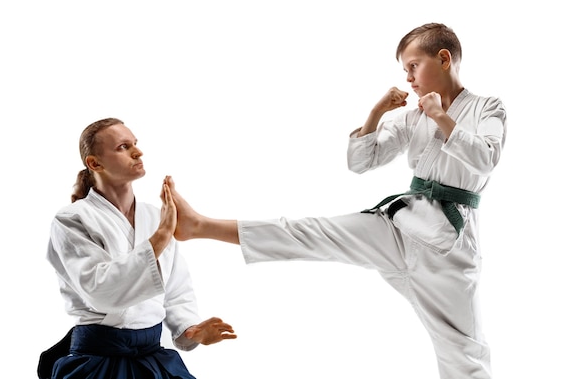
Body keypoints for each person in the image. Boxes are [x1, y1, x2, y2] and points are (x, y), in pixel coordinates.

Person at [168, 23, 507, 379]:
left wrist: (440, 114)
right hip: (400, 225)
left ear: (443, 59)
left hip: (448, 248)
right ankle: (198, 225)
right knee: (310, 232)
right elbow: (361, 162)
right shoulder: (413, 116)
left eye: (412, 66)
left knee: (463, 352)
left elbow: (485, 157)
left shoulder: (488, 107)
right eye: (404, 70)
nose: (408, 77)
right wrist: (378, 112)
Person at [39, 117, 237, 379]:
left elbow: (176, 287)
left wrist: (190, 329)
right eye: (122, 146)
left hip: (153, 356)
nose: (137, 151)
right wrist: (162, 235)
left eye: (135, 143)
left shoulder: (154, 216)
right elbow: (100, 290)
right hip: (97, 360)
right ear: (95, 163)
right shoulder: (71, 220)